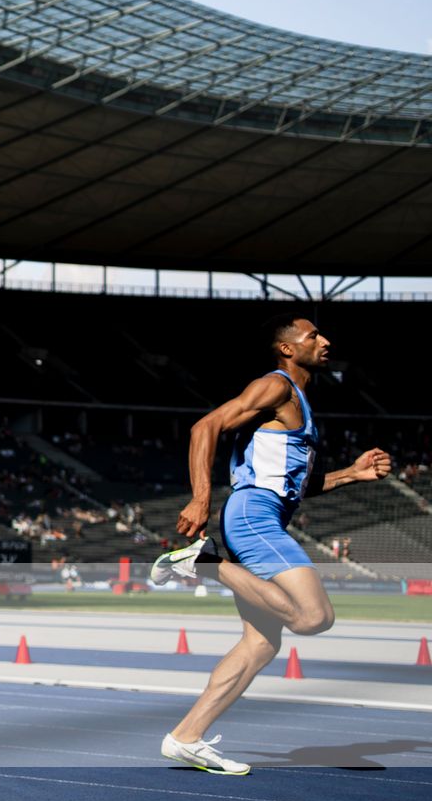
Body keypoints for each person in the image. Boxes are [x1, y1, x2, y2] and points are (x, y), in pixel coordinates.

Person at [150, 314, 391, 775]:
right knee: (315, 616)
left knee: (260, 645)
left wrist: (352, 474)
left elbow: (294, 483)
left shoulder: (298, 399)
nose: (325, 340)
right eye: (313, 335)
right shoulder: (275, 386)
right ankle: (202, 562)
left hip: (265, 512)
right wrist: (200, 498)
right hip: (253, 516)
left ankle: (186, 737)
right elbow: (206, 428)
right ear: (287, 348)